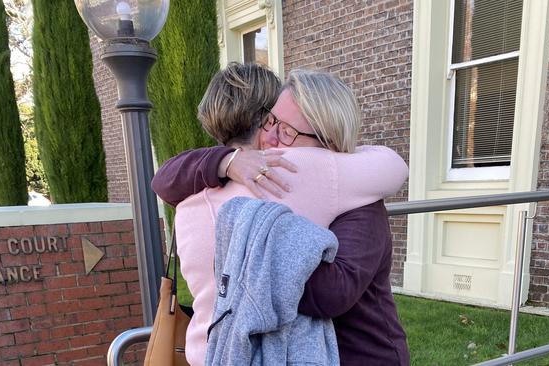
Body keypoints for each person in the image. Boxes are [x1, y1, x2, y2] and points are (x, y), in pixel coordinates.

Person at [152, 64, 410, 365]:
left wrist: (249, 264)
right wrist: (227, 161)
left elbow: (334, 292)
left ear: (329, 143)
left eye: (287, 131)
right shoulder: (264, 175)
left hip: (364, 354)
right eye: (270, 121)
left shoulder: (347, 190)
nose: (271, 139)